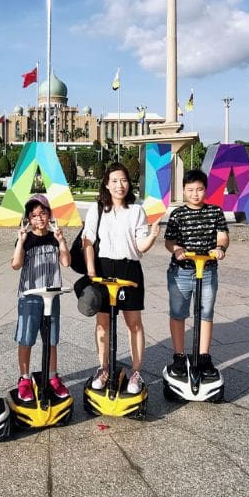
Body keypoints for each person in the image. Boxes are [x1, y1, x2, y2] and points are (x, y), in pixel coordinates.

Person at [84, 162, 160, 394]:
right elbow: (88, 241)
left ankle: (136, 372)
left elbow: (140, 246)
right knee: (102, 323)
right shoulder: (97, 209)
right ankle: (103, 367)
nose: (120, 185)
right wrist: (91, 271)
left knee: (133, 323)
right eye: (115, 181)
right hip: (103, 269)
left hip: (130, 269)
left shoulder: (136, 211)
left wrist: (153, 236)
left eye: (124, 180)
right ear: (106, 184)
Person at [163, 169, 230, 381]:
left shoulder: (215, 212)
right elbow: (169, 241)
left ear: (205, 190)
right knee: (178, 313)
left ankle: (203, 356)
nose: (195, 194)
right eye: (190, 190)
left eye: (199, 189)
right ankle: (179, 356)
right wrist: (177, 250)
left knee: (205, 313)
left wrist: (220, 248)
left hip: (207, 270)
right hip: (181, 271)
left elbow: (223, 236)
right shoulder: (178, 214)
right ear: (183, 191)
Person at [10, 194, 71, 402]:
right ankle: (24, 378)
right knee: (26, 338)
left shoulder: (55, 237)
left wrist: (62, 241)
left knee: (51, 339)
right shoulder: (26, 239)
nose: (39, 219)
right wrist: (20, 241)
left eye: (43, 214)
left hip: (51, 297)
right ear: (28, 218)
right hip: (30, 297)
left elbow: (65, 263)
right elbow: (15, 265)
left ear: (49, 215)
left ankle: (53, 376)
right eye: (34, 215)